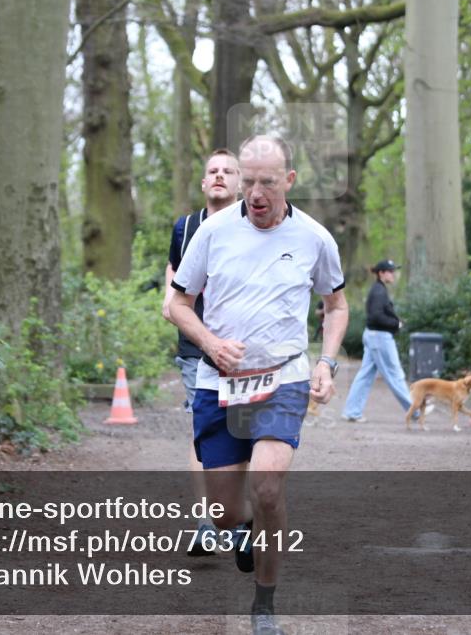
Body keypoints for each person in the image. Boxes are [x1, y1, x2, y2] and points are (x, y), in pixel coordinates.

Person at [168, 135, 349, 635]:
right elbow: (178, 304)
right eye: (248, 182)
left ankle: (264, 603)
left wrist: (326, 363)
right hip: (219, 382)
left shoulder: (314, 237)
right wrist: (210, 342)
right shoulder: (212, 233)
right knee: (224, 514)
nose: (255, 193)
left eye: (267, 182)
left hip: (282, 377)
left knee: (268, 486)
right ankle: (242, 529)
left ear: (288, 181)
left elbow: (336, 307)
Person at [162, 148, 241, 554]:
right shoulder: (186, 226)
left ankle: (237, 515)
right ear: (203, 181)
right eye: (213, 171)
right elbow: (174, 275)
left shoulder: (254, 223)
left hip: (247, 350)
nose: (220, 176)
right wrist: (170, 301)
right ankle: (206, 522)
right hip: (197, 347)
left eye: (229, 171)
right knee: (202, 431)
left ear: (240, 181)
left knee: (240, 431)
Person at [341, 259, 414, 423]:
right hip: (380, 338)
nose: (393, 274)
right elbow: (376, 316)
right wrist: (396, 323)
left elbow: (377, 315)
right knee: (395, 373)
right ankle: (414, 410)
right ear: (381, 273)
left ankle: (352, 411)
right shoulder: (379, 292)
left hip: (374, 336)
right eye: (390, 271)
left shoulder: (378, 290)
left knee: (365, 375)